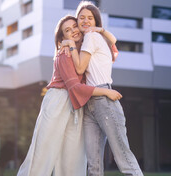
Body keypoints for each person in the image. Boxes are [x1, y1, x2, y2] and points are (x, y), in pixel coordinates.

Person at [17, 15, 122, 176]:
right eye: (67, 30)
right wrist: (107, 91)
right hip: (58, 100)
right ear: (62, 37)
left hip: (77, 106)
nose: (73, 31)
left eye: (74, 26)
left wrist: (99, 30)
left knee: (73, 157)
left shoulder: (85, 51)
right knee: (42, 153)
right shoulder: (64, 53)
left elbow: (112, 51)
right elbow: (75, 87)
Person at [61, 1, 143, 176]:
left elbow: (80, 68)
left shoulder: (91, 37)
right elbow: (113, 41)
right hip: (90, 102)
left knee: (123, 158)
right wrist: (100, 31)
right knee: (93, 165)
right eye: (81, 17)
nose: (85, 21)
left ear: (96, 21)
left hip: (103, 101)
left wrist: (71, 45)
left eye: (90, 18)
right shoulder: (93, 39)